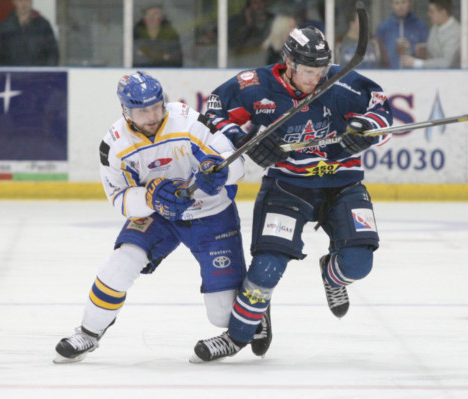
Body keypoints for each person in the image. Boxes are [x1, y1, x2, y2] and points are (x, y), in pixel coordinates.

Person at [191, 27, 393, 362]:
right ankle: (236, 334)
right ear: (289, 63)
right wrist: (247, 140)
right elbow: (213, 110)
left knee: (358, 264)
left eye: (321, 70)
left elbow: (381, 110)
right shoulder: (254, 85)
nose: (317, 78)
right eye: (309, 71)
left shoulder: (342, 83)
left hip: (343, 185)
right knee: (267, 269)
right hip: (287, 186)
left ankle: (332, 274)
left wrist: (366, 131)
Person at [53, 71, 264, 363]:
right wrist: (151, 197)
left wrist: (221, 171)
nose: (153, 115)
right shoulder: (114, 144)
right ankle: (88, 333)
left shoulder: (188, 121)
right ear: (125, 110)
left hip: (211, 213)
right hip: (159, 216)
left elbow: (237, 163)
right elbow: (120, 198)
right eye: (142, 110)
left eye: (156, 106)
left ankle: (256, 309)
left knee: (222, 315)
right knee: (121, 263)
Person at [400, 0, 461, 69]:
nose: (428, 14)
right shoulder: (436, 25)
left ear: (443, 13)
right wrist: (426, 52)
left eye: (432, 11)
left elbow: (446, 62)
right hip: (432, 75)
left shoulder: (455, 32)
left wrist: (416, 63)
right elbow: (436, 53)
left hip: (451, 77)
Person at [0, 0, 59, 66]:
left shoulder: (43, 25)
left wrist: (46, 73)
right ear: (14, 2)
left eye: (27, 1)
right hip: (13, 75)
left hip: (38, 75)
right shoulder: (5, 27)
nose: (24, 4)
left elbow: (53, 53)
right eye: (20, 1)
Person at [375, 0, 428, 69]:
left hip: (415, 74)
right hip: (389, 74)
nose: (400, 6)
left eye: (403, 2)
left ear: (409, 3)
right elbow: (379, 55)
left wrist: (411, 49)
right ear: (391, 5)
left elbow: (427, 55)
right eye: (397, 3)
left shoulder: (420, 27)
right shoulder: (383, 28)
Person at [228, 0, 274, 67]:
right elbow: (233, 43)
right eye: (255, 3)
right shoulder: (238, 21)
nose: (259, 6)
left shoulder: (272, 20)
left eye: (261, 2)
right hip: (241, 60)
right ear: (249, 6)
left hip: (265, 61)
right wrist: (248, 23)